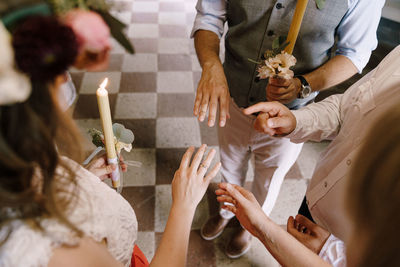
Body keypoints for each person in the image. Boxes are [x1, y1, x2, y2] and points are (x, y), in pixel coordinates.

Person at [0, 16, 221, 267]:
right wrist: (184, 205)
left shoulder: (19, 167)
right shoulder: (52, 248)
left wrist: (83, 180)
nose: (65, 82)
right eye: (58, 83)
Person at [191, 0, 385, 257]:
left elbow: (354, 53)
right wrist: (211, 64)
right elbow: (209, 17)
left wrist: (303, 84)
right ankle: (227, 212)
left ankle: (249, 227)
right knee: (230, 162)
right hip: (233, 93)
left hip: (292, 113)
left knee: (269, 177)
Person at [219, 44, 400, 265]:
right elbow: (347, 107)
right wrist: (296, 121)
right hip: (316, 200)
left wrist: (332, 251)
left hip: (348, 245)